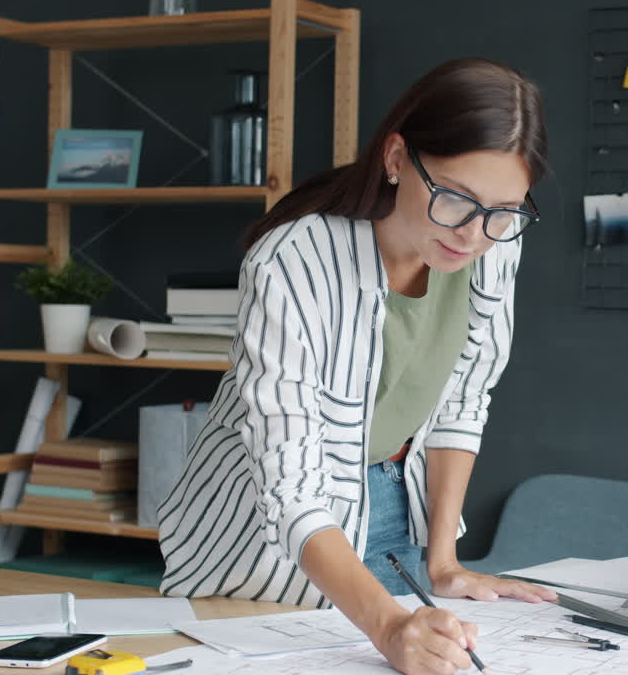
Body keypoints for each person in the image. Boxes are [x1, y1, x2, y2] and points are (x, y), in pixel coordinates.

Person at [156, 58, 556, 674]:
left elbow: (464, 398)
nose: (475, 235)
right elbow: (289, 485)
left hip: (397, 503)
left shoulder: (495, 241)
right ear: (397, 159)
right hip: (266, 538)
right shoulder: (292, 260)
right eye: (455, 198)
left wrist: (442, 562)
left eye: (504, 211)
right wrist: (391, 625)